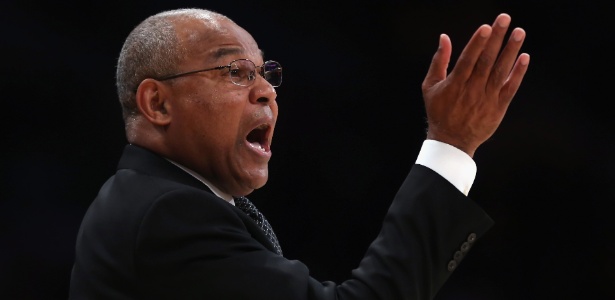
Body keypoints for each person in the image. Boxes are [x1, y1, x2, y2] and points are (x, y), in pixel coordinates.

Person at [69, 7, 529, 300]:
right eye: (234, 71)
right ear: (158, 103)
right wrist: (451, 144)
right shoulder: (169, 214)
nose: (267, 90)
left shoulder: (156, 202)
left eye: (265, 73)